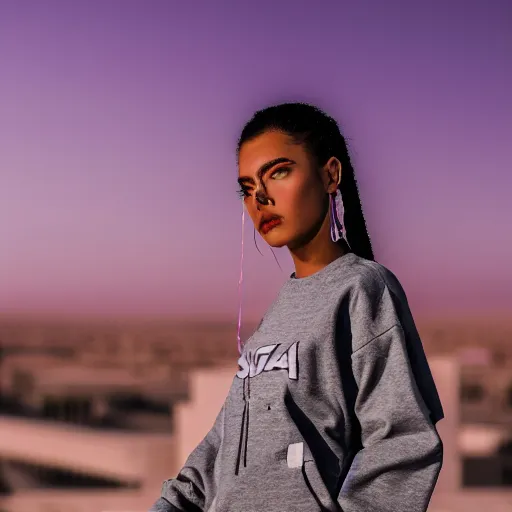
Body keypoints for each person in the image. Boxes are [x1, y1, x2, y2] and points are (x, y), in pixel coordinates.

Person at [149, 102, 444, 512]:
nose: (260, 199)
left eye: (278, 172)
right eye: (248, 188)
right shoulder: (277, 315)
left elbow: (402, 444)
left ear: (330, 174)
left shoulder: (363, 288)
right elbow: (221, 446)